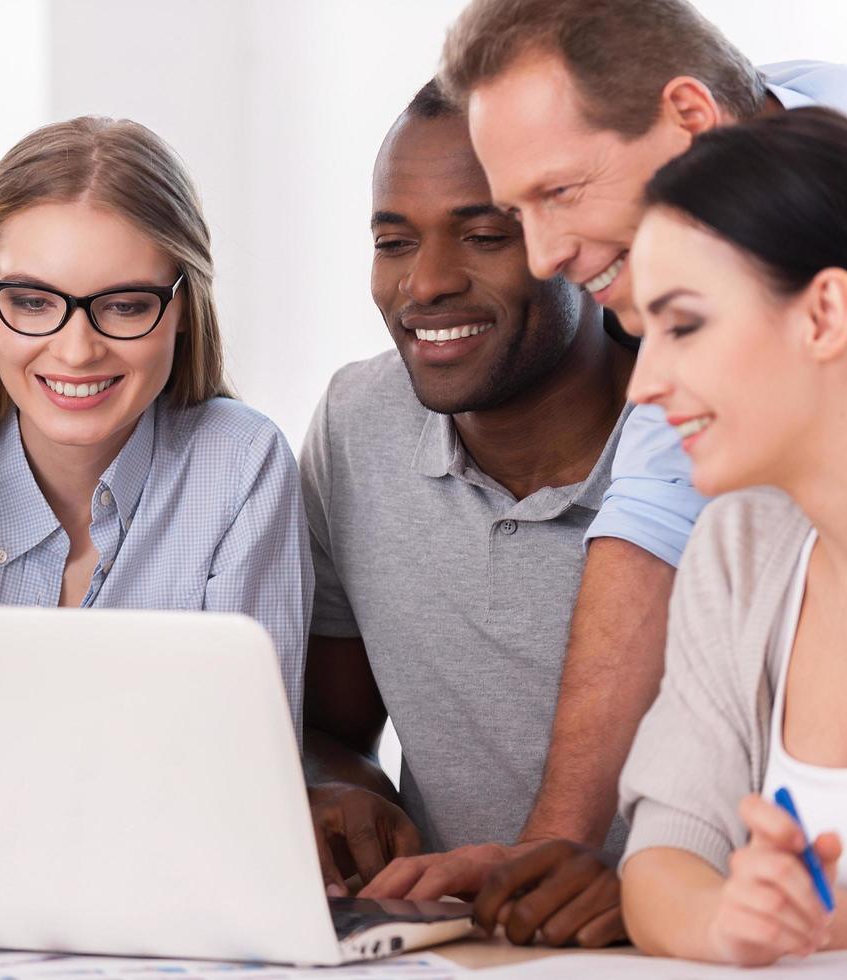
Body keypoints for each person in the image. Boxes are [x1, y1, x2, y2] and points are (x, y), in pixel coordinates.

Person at [426, 0, 847, 928]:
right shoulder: (744, 537)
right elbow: (652, 512)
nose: (540, 258)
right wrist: (563, 856)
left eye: (560, 192)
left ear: (690, 121)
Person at [301, 81, 633, 947]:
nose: (427, 282)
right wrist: (343, 793)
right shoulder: (354, 425)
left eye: (484, 235)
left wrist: (653, 888)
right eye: (392, 241)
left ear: (581, 241)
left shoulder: (711, 437)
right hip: (450, 950)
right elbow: (334, 731)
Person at [0, 116, 310, 729]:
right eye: (32, 301)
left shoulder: (240, 466)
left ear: (184, 306)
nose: (76, 351)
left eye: (126, 306)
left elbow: (248, 770)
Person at [619, 107, 847, 967]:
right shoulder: (740, 548)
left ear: (822, 313)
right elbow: (660, 861)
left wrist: (827, 917)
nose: (642, 384)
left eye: (682, 325)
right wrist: (732, 919)